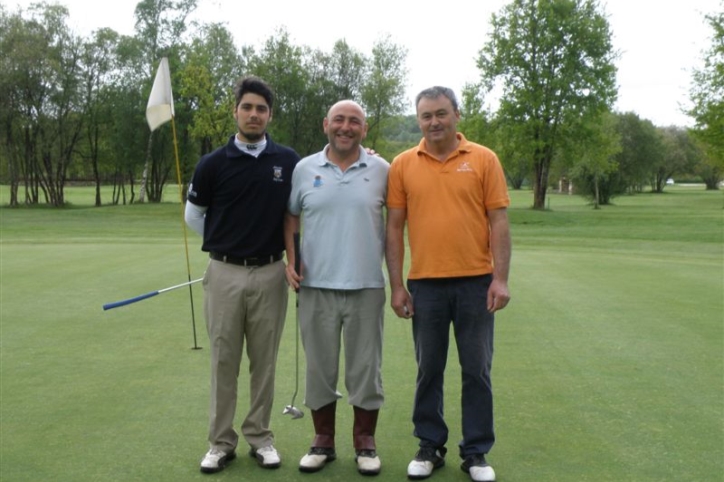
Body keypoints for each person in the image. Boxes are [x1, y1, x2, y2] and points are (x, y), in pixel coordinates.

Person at [385, 86, 511, 482]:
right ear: (418, 119)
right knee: (429, 369)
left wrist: (500, 278)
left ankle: (476, 453)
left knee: (476, 370)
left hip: (475, 282)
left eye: (441, 113)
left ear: (457, 114)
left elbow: (499, 222)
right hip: (425, 284)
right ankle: (429, 445)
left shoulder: (484, 159)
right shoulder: (403, 164)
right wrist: (397, 286)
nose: (434, 122)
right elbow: (393, 228)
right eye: (426, 116)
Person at [184, 75, 300, 474]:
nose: (254, 114)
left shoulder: (288, 161)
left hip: (270, 272)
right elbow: (193, 215)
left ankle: (260, 437)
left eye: (261, 109)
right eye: (247, 107)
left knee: (264, 361)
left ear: (269, 115)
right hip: (224, 272)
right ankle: (220, 443)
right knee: (223, 361)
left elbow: (306, 201)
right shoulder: (213, 163)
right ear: (236, 111)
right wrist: (223, 242)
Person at [284, 100, 389, 476]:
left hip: (366, 286)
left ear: (365, 127)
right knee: (319, 368)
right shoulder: (304, 168)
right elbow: (292, 215)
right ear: (325, 123)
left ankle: (365, 443)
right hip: (315, 286)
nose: (346, 127)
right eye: (339, 120)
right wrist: (291, 260)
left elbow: (395, 225)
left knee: (365, 370)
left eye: (355, 122)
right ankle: (322, 441)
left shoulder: (382, 169)